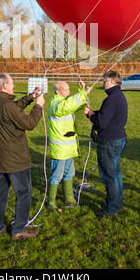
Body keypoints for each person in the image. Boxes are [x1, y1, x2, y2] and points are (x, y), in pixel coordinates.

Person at [0, 73, 45, 240]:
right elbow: (29, 123)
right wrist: (38, 106)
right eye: (12, 83)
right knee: (24, 192)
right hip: (15, 160)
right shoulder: (7, 106)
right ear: (4, 86)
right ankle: (18, 229)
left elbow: (12, 109)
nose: (13, 85)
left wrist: (30, 98)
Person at [83, 71, 128, 217]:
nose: (102, 84)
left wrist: (90, 115)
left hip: (110, 142)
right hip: (117, 139)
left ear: (111, 82)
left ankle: (111, 209)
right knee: (115, 175)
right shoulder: (118, 96)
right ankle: (117, 204)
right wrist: (94, 112)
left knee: (109, 177)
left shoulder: (112, 99)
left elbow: (101, 122)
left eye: (104, 81)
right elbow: (107, 115)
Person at [47, 80, 92, 211]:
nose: (68, 92)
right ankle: (51, 202)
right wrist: (83, 93)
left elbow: (75, 104)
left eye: (68, 89)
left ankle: (69, 198)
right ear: (57, 91)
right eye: (66, 90)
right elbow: (68, 105)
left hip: (68, 148)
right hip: (60, 149)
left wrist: (82, 92)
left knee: (69, 173)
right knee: (57, 176)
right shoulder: (55, 104)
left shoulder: (65, 102)